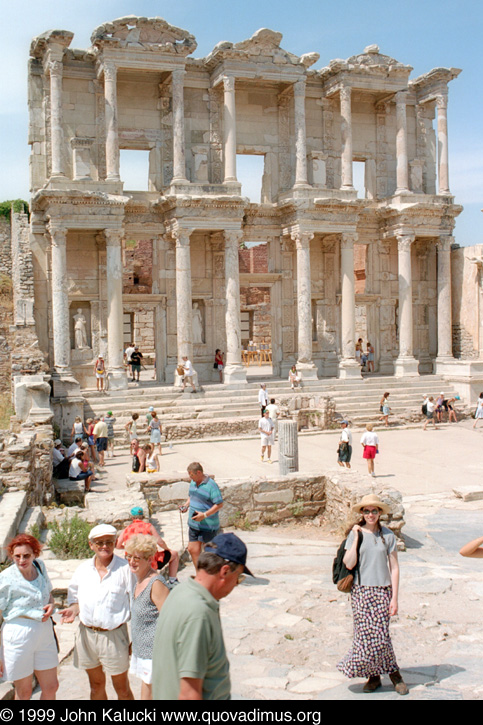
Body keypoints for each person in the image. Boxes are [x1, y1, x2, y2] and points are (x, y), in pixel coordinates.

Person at [152, 532, 253, 700]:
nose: (236, 584)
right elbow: (189, 693)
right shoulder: (198, 613)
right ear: (225, 571)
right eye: (238, 578)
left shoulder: (180, 592)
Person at [337, 495, 408, 695]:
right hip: (361, 590)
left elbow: (394, 568)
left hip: (382, 590)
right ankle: (375, 676)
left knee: (381, 636)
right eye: (366, 511)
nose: (370, 515)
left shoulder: (388, 536)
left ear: (379, 513)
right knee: (364, 637)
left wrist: (395, 598)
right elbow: (349, 563)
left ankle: (394, 674)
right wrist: (357, 537)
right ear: (362, 514)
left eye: (374, 511)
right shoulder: (355, 534)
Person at [59, 524, 135, 701]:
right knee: (95, 686)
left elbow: (136, 604)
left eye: (109, 542)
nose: (104, 546)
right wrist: (74, 609)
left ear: (116, 543)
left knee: (122, 689)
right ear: (91, 544)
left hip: (114, 636)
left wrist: (135, 639)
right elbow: (75, 597)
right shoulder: (83, 569)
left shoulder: (125, 570)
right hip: (87, 635)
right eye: (99, 542)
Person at [0, 534, 58, 700]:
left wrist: (52, 605)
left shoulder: (39, 567)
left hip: (44, 631)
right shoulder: (6, 578)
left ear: (35, 554)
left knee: (51, 686)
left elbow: (49, 595)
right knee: (24, 692)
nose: (21, 560)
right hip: (18, 634)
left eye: (26, 555)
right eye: (17, 556)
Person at [125, 535, 170, 700]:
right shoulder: (138, 581)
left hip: (155, 651)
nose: (131, 562)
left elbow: (169, 619)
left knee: (150, 693)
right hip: (142, 649)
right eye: (129, 557)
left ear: (149, 558)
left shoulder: (156, 583)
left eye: (137, 558)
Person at [116, 507, 180, 587]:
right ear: (142, 516)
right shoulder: (148, 526)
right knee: (174, 554)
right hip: (150, 561)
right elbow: (160, 542)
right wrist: (167, 549)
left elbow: (118, 545)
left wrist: (127, 547)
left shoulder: (127, 529)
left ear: (132, 518)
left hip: (133, 562)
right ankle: (172, 581)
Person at [179, 463, 224, 570]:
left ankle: (213, 575)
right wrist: (186, 505)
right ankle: (200, 574)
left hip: (208, 526)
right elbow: (191, 496)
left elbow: (219, 504)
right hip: (194, 524)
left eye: (192, 475)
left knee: (210, 553)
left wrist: (204, 515)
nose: (190, 478)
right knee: (192, 549)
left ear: (199, 472)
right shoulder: (193, 483)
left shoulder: (211, 485)